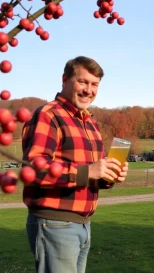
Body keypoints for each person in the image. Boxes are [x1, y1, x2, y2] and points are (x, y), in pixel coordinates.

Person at [22, 56, 128, 273]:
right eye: (83, 82)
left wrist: (110, 175)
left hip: (83, 224)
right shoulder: (48, 115)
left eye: (94, 84)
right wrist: (88, 171)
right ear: (65, 80)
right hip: (54, 223)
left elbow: (92, 176)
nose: (88, 90)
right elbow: (34, 169)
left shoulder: (90, 122)